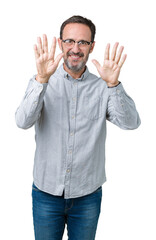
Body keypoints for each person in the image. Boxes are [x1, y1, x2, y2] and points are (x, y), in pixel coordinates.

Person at [15, 15, 141, 240]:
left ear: (92, 47)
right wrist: (42, 79)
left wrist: (113, 85)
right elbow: (22, 121)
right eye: (69, 41)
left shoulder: (103, 86)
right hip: (46, 194)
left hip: (87, 196)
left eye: (83, 42)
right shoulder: (42, 82)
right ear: (60, 43)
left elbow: (131, 123)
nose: (75, 48)